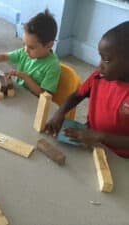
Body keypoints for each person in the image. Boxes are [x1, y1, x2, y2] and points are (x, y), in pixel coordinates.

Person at [45, 21, 129, 158]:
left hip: (120, 156)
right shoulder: (99, 77)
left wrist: (102, 136)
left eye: (106, 60)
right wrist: (59, 113)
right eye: (100, 57)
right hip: (90, 139)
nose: (99, 66)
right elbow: (77, 96)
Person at [0, 9, 60, 96]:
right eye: (24, 44)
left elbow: (44, 94)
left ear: (49, 45)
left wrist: (25, 77)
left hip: (33, 102)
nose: (26, 49)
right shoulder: (25, 52)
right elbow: (4, 56)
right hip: (20, 93)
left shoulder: (53, 67)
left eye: (31, 47)